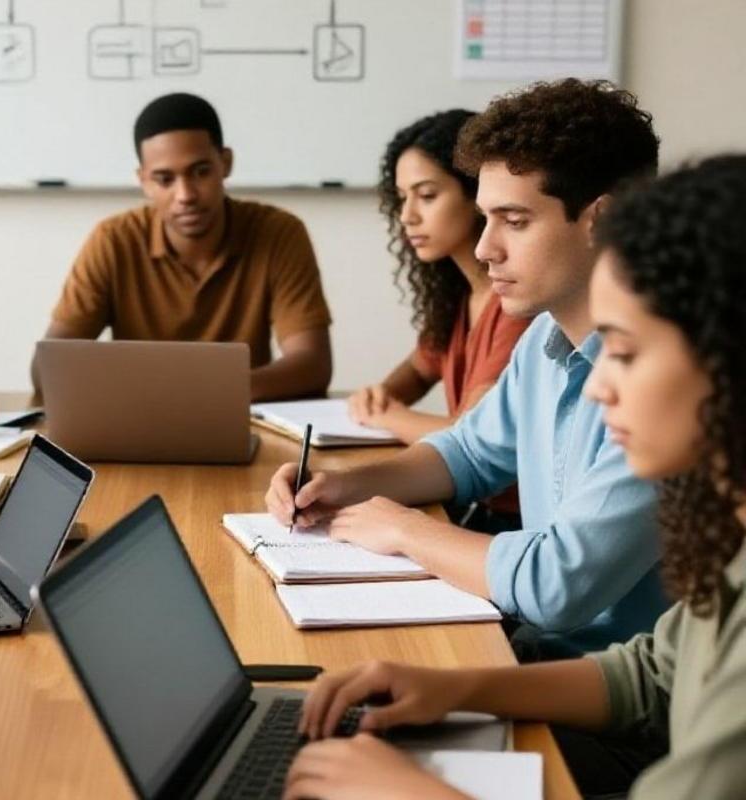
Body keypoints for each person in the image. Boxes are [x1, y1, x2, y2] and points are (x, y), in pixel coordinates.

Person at [282, 155, 746, 800]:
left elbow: (565, 593)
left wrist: (414, 794)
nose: (602, 385)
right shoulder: (730, 538)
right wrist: (458, 687)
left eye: (628, 353)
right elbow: (653, 676)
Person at [265, 79, 666, 659]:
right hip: (534, 652)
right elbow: (469, 455)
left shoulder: (667, 380)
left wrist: (406, 528)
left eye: (515, 221)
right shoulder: (545, 340)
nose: (484, 249)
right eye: (484, 218)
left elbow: (556, 587)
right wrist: (344, 486)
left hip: (611, 698)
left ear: (602, 220)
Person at [38, 92, 333, 402]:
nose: (186, 195)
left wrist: (196, 393)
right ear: (144, 181)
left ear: (226, 163)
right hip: (141, 420)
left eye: (201, 172)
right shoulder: (113, 240)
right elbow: (47, 369)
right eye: (165, 179)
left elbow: (312, 365)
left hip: (240, 419)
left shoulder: (279, 233)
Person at [350, 110, 531, 530]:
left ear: (476, 195)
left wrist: (385, 415)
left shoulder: (517, 306)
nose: (407, 216)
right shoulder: (458, 295)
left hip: (507, 520)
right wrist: (380, 395)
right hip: (473, 505)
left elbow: (467, 432)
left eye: (427, 195)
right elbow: (417, 370)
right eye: (402, 197)